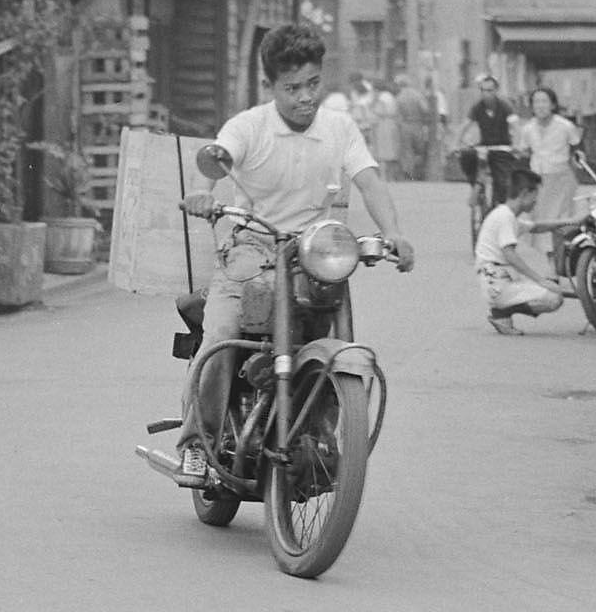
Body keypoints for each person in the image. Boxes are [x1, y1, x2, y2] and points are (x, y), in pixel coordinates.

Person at [140, 24, 416, 485]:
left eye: (313, 84)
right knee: (223, 337)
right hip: (251, 247)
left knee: (333, 338)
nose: (305, 97)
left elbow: (369, 180)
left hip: (311, 253)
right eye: (293, 88)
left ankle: (324, 433)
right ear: (271, 86)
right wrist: (203, 194)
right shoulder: (248, 126)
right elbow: (216, 160)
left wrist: (395, 234)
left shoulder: (340, 128)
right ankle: (195, 442)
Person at [474, 165, 566, 334]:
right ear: (524, 194)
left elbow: (537, 227)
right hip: (497, 284)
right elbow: (510, 254)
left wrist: (569, 221)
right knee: (554, 298)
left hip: (495, 282)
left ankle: (501, 313)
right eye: (534, 196)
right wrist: (540, 280)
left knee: (550, 287)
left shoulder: (505, 215)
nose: (535, 202)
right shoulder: (505, 217)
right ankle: (501, 311)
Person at [518, 86, 583, 228]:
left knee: (559, 221)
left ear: (553, 105)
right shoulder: (528, 129)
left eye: (544, 101)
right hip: (537, 180)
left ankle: (558, 249)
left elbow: (577, 147)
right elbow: (524, 152)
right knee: (539, 222)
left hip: (560, 180)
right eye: (536, 102)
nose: (540, 106)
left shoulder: (565, 126)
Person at [454, 73, 515, 191]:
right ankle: (475, 185)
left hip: (503, 147)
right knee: (467, 157)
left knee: (502, 181)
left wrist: (517, 145)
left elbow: (516, 127)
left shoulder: (505, 106)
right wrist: (456, 144)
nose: (485, 94)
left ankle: (498, 200)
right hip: (484, 146)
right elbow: (464, 126)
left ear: (496, 90)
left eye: (489, 90)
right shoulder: (477, 107)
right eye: (482, 90)